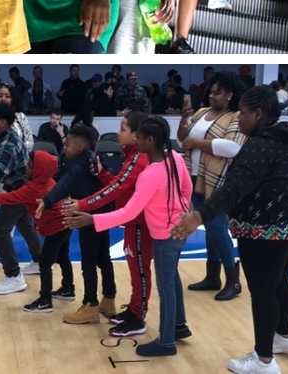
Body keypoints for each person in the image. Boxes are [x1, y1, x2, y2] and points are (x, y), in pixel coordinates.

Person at [172, 86, 288, 374]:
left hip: (265, 229)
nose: (239, 119)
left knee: (263, 292)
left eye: (244, 113)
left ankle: (263, 361)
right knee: (280, 282)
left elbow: (234, 187)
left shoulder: (260, 145)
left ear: (258, 114)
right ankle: (284, 337)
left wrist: (199, 215)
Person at [65, 116, 192, 357]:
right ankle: (178, 326)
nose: (134, 139)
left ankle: (166, 341)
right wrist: (184, 214)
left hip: (163, 233)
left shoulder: (149, 172)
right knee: (172, 280)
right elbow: (186, 189)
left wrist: (92, 218)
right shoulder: (175, 157)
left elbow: (129, 211)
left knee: (166, 289)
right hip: (176, 229)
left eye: (139, 136)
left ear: (149, 139)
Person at [71, 112, 152, 335]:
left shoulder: (139, 158)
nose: (118, 133)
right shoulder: (132, 155)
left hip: (140, 222)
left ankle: (139, 316)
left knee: (140, 271)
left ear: (136, 135)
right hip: (133, 221)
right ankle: (135, 310)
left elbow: (116, 189)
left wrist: (82, 204)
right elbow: (119, 184)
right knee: (136, 269)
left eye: (123, 129)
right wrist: (103, 174)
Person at [0, 149, 70, 314]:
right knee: (63, 258)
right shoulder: (48, 181)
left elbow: (4, 198)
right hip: (65, 225)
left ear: (38, 170)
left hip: (55, 229)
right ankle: (68, 289)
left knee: (45, 263)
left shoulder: (32, 188)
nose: (25, 168)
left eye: (29, 166)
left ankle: (45, 300)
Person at [177, 71, 246, 304]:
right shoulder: (201, 112)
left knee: (216, 227)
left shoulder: (235, 116)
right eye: (211, 91)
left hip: (218, 180)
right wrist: (183, 120)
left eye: (217, 92)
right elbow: (181, 139)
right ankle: (212, 276)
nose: (212, 95)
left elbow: (232, 147)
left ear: (229, 95)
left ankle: (233, 281)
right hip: (195, 177)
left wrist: (195, 142)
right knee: (207, 226)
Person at [40, 125, 119, 324]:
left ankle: (90, 304)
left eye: (68, 144)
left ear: (81, 146)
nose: (65, 147)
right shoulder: (96, 158)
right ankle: (109, 300)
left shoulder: (77, 166)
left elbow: (63, 184)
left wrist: (47, 200)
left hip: (88, 218)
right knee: (104, 259)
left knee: (88, 264)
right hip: (104, 216)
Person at [0, 102, 41, 294]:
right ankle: (39, 261)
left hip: (20, 191)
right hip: (20, 188)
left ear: (2, 122)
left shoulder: (8, 143)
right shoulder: (2, 137)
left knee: (0, 228)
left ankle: (13, 276)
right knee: (24, 226)